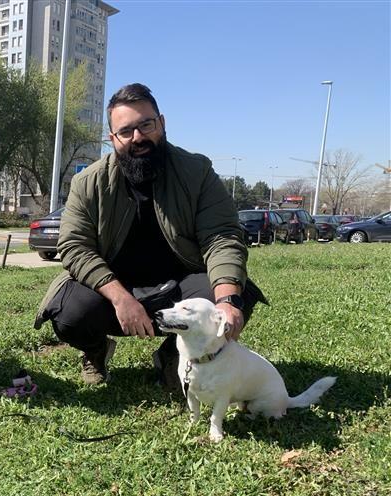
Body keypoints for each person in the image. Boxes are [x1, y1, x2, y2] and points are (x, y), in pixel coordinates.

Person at [34, 83, 266, 387]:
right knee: (68, 310)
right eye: (126, 131)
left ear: (162, 123)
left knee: (235, 294)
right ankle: (97, 350)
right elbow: (75, 246)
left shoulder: (198, 172)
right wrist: (120, 298)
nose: (138, 137)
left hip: (181, 289)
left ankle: (173, 354)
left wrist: (226, 299)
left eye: (146, 124)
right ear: (112, 139)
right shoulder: (87, 182)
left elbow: (221, 236)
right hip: (115, 289)